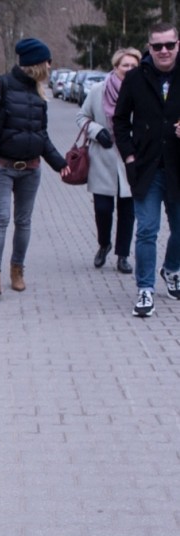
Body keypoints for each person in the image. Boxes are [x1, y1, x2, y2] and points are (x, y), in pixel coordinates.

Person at [0, 38, 70, 296]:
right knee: (2, 217)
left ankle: (18, 269)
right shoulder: (0, 84)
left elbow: (42, 135)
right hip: (0, 167)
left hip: (31, 169)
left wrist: (59, 163)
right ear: (37, 64)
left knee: (24, 221)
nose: (51, 66)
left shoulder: (39, 94)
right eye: (48, 61)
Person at [113, 22, 180, 317]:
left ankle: (172, 269)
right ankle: (145, 289)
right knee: (147, 230)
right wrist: (128, 157)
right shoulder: (136, 77)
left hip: (178, 167)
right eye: (157, 46)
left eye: (169, 45)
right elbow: (119, 120)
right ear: (149, 48)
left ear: (178, 45)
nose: (164, 51)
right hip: (147, 168)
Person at [76, 47, 142, 274]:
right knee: (103, 209)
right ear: (116, 67)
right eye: (126, 65)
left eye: (134, 66)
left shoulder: (142, 90)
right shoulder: (98, 90)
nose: (130, 69)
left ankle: (123, 255)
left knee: (128, 210)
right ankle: (104, 244)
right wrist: (95, 130)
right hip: (102, 157)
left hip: (130, 158)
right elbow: (81, 116)